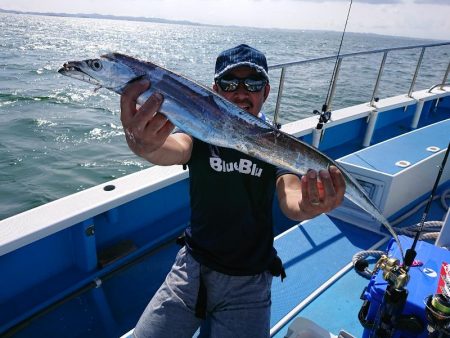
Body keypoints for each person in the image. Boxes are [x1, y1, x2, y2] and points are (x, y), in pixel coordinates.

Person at [120, 44, 346, 338]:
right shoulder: (200, 132)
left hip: (249, 283)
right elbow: (173, 149)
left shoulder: (277, 145)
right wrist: (145, 145)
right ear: (215, 90)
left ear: (265, 92)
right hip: (192, 268)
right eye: (229, 84)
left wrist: (308, 204)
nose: (241, 93)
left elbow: (290, 194)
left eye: (252, 84)